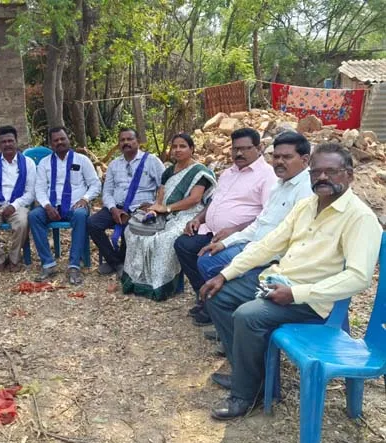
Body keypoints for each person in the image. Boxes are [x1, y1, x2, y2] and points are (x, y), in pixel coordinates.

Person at [200, 143, 381, 420]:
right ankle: (250, 377)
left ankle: (247, 395)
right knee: (217, 295)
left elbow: (358, 278)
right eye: (316, 172)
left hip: (314, 300)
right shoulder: (306, 206)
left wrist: (296, 293)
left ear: (349, 175)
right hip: (280, 282)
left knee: (248, 315)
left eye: (331, 171)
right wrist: (225, 274)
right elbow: (268, 244)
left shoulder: (359, 217)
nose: (322, 177)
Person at [195, 132, 313, 333]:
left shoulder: (306, 190)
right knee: (207, 259)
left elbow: (284, 243)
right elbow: (259, 224)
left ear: (304, 160)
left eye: (287, 157)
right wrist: (225, 243)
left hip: (272, 260)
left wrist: (240, 263)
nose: (279, 162)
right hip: (255, 247)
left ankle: (241, 327)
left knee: (221, 287)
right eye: (276, 156)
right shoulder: (280, 185)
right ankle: (231, 325)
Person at [174, 127, 277, 320]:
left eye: (245, 148)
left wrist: (235, 230)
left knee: (207, 259)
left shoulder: (267, 176)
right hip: (210, 230)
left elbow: (267, 215)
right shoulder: (229, 172)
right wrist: (198, 219)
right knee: (183, 244)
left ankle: (216, 302)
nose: (239, 153)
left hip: (239, 237)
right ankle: (204, 295)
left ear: (259, 148)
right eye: (235, 149)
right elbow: (215, 202)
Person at [121, 133, 216, 300]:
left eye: (182, 146)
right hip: (165, 213)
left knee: (165, 240)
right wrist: (155, 209)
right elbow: (161, 195)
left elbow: (194, 199)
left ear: (191, 149)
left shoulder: (199, 172)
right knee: (132, 231)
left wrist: (167, 208)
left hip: (189, 214)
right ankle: (137, 280)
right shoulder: (168, 171)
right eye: (175, 146)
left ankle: (162, 286)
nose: (177, 150)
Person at [87, 127, 165, 276]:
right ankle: (116, 263)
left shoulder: (151, 161)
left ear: (138, 141)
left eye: (130, 139)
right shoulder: (114, 164)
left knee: (131, 225)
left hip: (140, 208)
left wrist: (155, 205)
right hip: (117, 207)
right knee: (92, 223)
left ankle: (123, 262)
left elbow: (164, 186)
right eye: (122, 140)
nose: (126, 142)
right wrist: (113, 209)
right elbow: (107, 192)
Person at [30, 127, 101, 285]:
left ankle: (74, 265)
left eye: (62, 138)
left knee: (81, 215)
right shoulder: (44, 163)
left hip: (75, 205)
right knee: (34, 216)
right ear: (51, 144)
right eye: (56, 140)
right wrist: (47, 206)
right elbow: (39, 188)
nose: (60, 142)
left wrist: (85, 199)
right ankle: (48, 264)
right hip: (52, 205)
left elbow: (95, 184)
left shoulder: (82, 160)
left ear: (69, 139)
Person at [0, 126, 36, 272]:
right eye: (3, 142)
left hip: (18, 205)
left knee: (22, 222)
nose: (7, 144)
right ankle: (0, 258)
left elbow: (31, 192)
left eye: (10, 141)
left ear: (16, 141)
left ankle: (14, 259)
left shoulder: (28, 162)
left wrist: (14, 205)